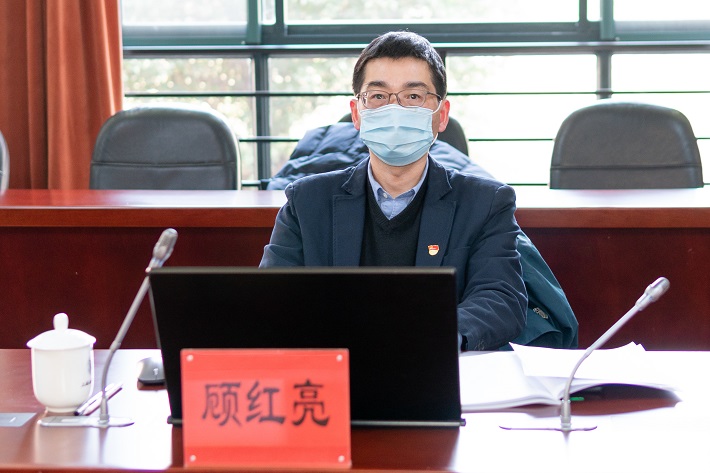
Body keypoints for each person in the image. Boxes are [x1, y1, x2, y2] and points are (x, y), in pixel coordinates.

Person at [260, 31, 527, 351]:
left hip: (436, 365)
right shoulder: (306, 202)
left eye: (413, 96)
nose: (395, 109)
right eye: (378, 96)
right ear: (357, 113)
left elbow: (500, 299)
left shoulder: (486, 203)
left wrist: (428, 336)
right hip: (338, 367)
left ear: (441, 115)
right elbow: (273, 297)